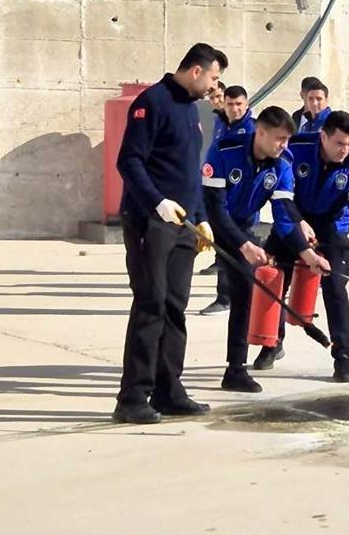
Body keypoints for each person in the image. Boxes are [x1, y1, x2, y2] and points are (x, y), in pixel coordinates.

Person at [112, 43, 226, 424]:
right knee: (151, 304)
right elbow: (128, 160)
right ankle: (132, 397)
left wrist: (200, 217)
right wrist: (156, 202)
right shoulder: (153, 102)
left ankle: (168, 389)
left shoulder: (191, 111)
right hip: (151, 221)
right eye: (213, 77)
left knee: (175, 306)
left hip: (182, 224)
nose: (214, 86)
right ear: (196, 70)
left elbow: (188, 171)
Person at [203, 106, 330, 392]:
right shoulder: (224, 150)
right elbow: (214, 208)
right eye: (279, 138)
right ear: (260, 132)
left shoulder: (282, 165)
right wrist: (244, 244)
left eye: (287, 139)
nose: (284, 145)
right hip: (205, 223)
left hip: (242, 226)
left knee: (244, 293)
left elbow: (285, 217)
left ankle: (235, 369)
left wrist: (307, 254)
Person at [253, 111, 349, 383]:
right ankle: (272, 343)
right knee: (275, 277)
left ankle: (342, 357)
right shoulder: (296, 149)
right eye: (339, 143)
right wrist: (298, 222)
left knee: (335, 286)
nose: (344, 150)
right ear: (323, 136)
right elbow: (282, 195)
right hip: (292, 219)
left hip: (330, 227)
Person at [199, 85, 258, 316]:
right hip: (219, 195)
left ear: (247, 105)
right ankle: (232, 295)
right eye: (230, 104)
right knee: (227, 248)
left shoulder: (251, 131)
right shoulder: (221, 124)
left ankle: (225, 297)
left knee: (231, 246)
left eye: (238, 104)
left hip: (239, 201)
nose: (234, 109)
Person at [196, 80, 227, 277]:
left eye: (219, 97)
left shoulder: (235, 120)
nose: (216, 101)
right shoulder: (218, 120)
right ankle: (219, 259)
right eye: (212, 98)